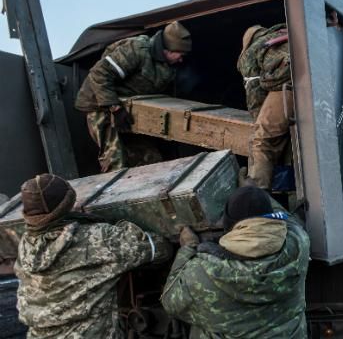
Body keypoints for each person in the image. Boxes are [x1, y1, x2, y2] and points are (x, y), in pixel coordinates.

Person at [14, 174, 172, 338]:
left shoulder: (25, 246)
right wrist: (120, 228)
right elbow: (160, 248)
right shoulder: (96, 237)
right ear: (68, 204)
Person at [161, 185, 310, 338]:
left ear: (229, 224)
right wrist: (255, 192)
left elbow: (169, 302)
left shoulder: (201, 272)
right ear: (270, 216)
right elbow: (288, 221)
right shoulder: (298, 244)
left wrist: (187, 248)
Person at [75, 21, 192, 172]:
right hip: (100, 105)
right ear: (168, 49)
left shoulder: (167, 68)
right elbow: (100, 74)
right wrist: (115, 108)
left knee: (150, 158)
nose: (181, 59)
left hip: (129, 111)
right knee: (115, 160)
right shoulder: (136, 50)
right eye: (180, 54)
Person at [237, 24, 293, 190]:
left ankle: (255, 192)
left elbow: (255, 95)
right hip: (308, 79)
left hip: (288, 85)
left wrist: (258, 121)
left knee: (260, 140)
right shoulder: (281, 34)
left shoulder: (249, 53)